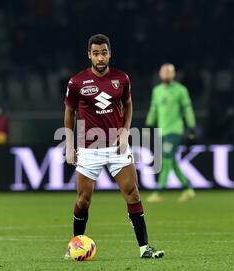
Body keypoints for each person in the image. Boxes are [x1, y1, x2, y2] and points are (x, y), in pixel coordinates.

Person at [63, 34, 164, 259]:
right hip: (89, 148)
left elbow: (128, 105)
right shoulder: (76, 82)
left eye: (104, 53)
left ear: (110, 53)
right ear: (89, 55)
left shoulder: (122, 79)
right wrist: (70, 146)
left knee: (133, 194)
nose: (100, 57)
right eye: (96, 53)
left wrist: (125, 132)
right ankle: (74, 246)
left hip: (117, 148)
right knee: (83, 200)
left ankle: (144, 248)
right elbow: (69, 112)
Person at [145, 63, 197, 203]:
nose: (167, 74)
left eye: (169, 72)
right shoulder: (157, 90)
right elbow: (154, 109)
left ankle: (158, 191)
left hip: (175, 131)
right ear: (160, 74)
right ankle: (187, 189)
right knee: (172, 161)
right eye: (164, 72)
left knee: (166, 159)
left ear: (173, 74)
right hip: (162, 131)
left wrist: (191, 127)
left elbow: (187, 109)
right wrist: (149, 124)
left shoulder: (181, 90)